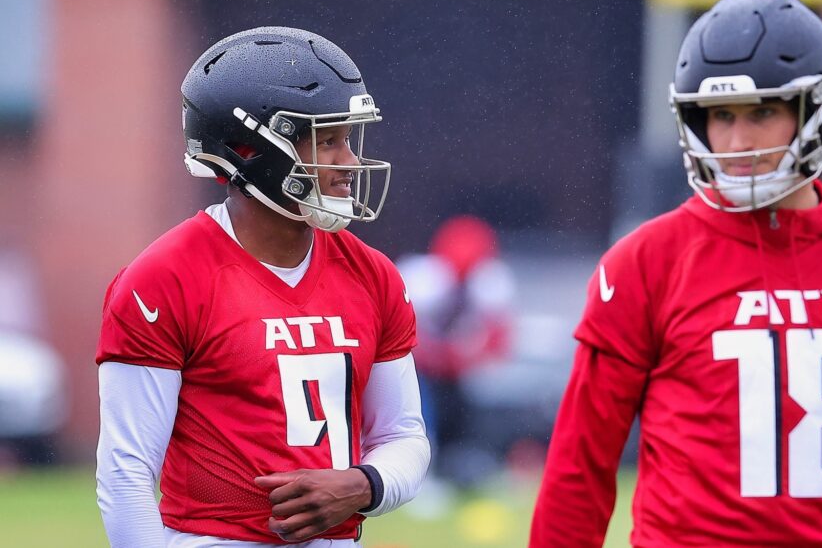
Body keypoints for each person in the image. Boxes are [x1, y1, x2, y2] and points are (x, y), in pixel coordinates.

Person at [531, 0, 822, 548]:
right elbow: (581, 461)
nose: (737, 142)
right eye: (721, 116)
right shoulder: (647, 261)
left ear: (816, 109)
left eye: (762, 113)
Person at [95, 27, 429, 548]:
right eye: (328, 140)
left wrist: (364, 485)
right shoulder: (163, 279)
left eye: (348, 139)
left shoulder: (374, 274)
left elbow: (403, 437)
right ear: (253, 149)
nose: (350, 162)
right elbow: (126, 475)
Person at [397, 215, 515, 487]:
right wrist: (440, 355)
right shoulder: (423, 280)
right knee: (417, 413)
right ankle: (418, 476)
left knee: (471, 409)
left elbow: (501, 338)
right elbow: (398, 333)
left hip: (458, 368)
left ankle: (467, 467)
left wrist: (470, 355)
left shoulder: (491, 282)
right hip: (415, 364)